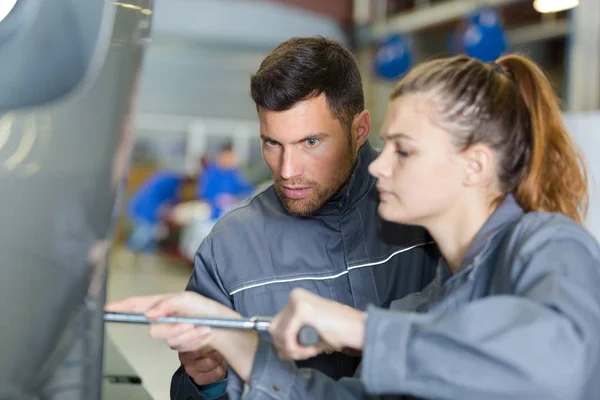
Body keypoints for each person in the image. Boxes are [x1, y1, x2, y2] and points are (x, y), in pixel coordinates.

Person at [107, 53, 600, 400]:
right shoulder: (444, 297)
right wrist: (237, 343)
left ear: (474, 164)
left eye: (403, 150)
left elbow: (564, 366)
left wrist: (362, 329)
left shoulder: (548, 244)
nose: (380, 165)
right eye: (272, 144)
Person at [166, 37, 440, 399]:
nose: (288, 170)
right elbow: (194, 387)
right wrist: (206, 383)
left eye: (310, 142)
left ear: (359, 130)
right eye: (272, 143)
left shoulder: (428, 212)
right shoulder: (228, 249)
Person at [126, 170, 186, 252]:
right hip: (145, 213)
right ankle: (129, 252)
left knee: (148, 242)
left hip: (141, 210)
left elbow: (172, 200)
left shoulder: (167, 179)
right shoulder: (172, 182)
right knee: (141, 239)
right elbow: (170, 199)